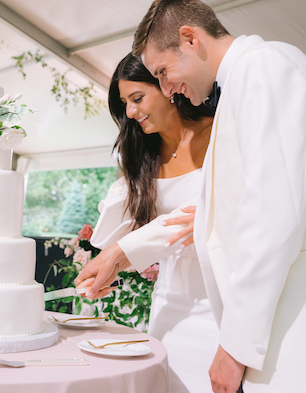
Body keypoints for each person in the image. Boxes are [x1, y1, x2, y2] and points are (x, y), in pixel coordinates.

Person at [80, 0, 306, 393]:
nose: (167, 87)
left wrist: (234, 348)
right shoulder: (246, 80)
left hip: (304, 334)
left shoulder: (265, 69)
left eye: (163, 71)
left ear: (190, 38)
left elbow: (272, 218)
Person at [77, 52, 215, 392]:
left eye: (137, 98)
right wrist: (111, 261)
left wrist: (118, 255)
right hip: (170, 307)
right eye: (124, 103)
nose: (131, 112)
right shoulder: (145, 160)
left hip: (219, 305)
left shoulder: (219, 133)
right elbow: (110, 237)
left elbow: (198, 217)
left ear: (168, 86)